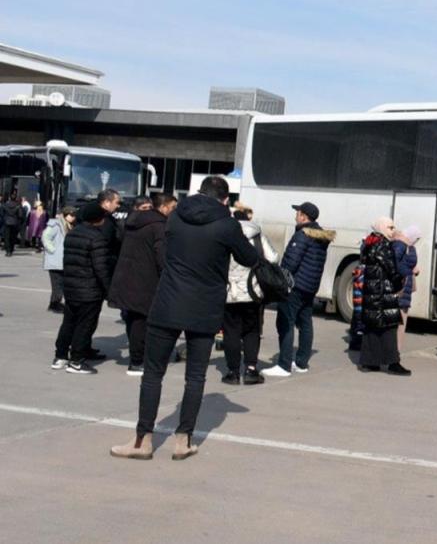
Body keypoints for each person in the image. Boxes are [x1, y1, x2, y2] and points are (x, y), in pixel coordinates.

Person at [110, 176, 260, 461]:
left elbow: (167, 253)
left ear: (198, 192)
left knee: (153, 373)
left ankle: (143, 440)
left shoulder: (177, 215)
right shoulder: (227, 224)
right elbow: (250, 258)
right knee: (195, 377)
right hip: (204, 306)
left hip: (168, 300)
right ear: (225, 200)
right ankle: (183, 439)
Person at [263, 201, 334, 377]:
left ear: (304, 216)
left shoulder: (302, 235)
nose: (295, 215)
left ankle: (284, 365)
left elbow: (291, 263)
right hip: (309, 287)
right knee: (305, 323)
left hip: (295, 286)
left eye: (298, 213)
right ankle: (301, 363)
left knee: (285, 322)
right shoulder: (320, 237)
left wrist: (279, 278)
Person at [107, 193, 170, 377]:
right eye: (144, 209)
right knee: (140, 322)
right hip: (143, 279)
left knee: (133, 320)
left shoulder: (128, 224)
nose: (146, 212)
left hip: (127, 278)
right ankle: (137, 361)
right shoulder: (155, 226)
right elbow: (160, 255)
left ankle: (138, 357)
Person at [220, 205, 278, 385]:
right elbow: (273, 258)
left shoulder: (225, 235)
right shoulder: (258, 235)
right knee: (252, 330)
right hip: (254, 291)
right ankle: (251, 369)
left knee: (231, 331)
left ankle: (233, 372)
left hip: (230, 291)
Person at [53, 203, 114, 374]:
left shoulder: (72, 234)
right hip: (89, 289)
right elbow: (101, 268)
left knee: (68, 323)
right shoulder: (97, 238)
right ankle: (77, 361)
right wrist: (109, 290)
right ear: (98, 219)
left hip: (71, 287)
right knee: (84, 325)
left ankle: (60, 356)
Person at [357, 218, 407, 375]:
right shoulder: (383, 245)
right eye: (390, 227)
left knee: (372, 327)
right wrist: (399, 285)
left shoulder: (369, 242)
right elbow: (392, 269)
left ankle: (370, 362)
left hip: (371, 291)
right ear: (381, 228)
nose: (393, 230)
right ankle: (393, 363)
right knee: (390, 328)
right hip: (383, 291)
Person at [390, 224, 420, 375]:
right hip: (401, 290)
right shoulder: (401, 245)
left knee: (400, 325)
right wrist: (408, 272)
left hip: (404, 289)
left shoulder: (407, 246)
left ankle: (395, 356)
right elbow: (396, 264)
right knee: (399, 325)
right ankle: (394, 358)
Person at [41, 206, 76, 313]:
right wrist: (53, 250)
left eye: (74, 215)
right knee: (57, 284)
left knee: (63, 283)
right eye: (71, 215)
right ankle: (55, 304)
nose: (73, 217)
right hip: (55, 260)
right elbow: (45, 237)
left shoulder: (70, 226)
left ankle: (54, 303)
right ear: (65, 215)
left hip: (63, 260)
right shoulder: (56, 224)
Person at [2, 192, 20, 256]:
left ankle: (8, 251)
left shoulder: (5, 205)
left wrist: (5, 219)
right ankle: (11, 250)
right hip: (14, 222)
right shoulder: (18, 205)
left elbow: (2, 214)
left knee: (7, 237)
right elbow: (20, 215)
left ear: (10, 198)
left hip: (7, 222)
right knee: (13, 237)